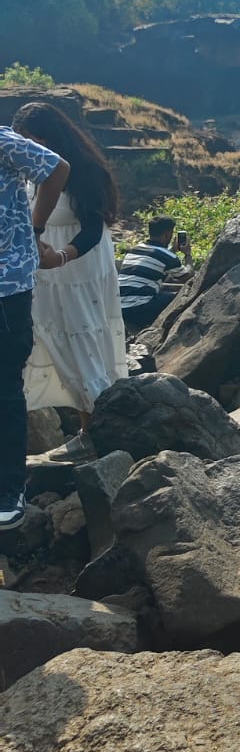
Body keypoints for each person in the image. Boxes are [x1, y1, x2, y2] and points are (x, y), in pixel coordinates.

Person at [13, 102, 128, 457]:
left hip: (79, 266)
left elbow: (96, 227)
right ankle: (85, 426)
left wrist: (61, 257)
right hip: (45, 270)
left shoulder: (83, 171)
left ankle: (94, 433)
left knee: (83, 338)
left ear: (49, 137)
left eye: (30, 140)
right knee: (49, 335)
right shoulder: (31, 171)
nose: (26, 148)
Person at [0, 123, 70, 529]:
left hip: (6, 288)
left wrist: (35, 229)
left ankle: (9, 490)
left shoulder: (3, 141)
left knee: (4, 389)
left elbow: (56, 168)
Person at [119, 215, 192, 332]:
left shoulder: (135, 250)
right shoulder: (167, 256)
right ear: (167, 234)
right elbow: (188, 277)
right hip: (139, 309)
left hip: (120, 309)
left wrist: (172, 250)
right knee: (183, 298)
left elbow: (156, 263)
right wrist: (188, 255)